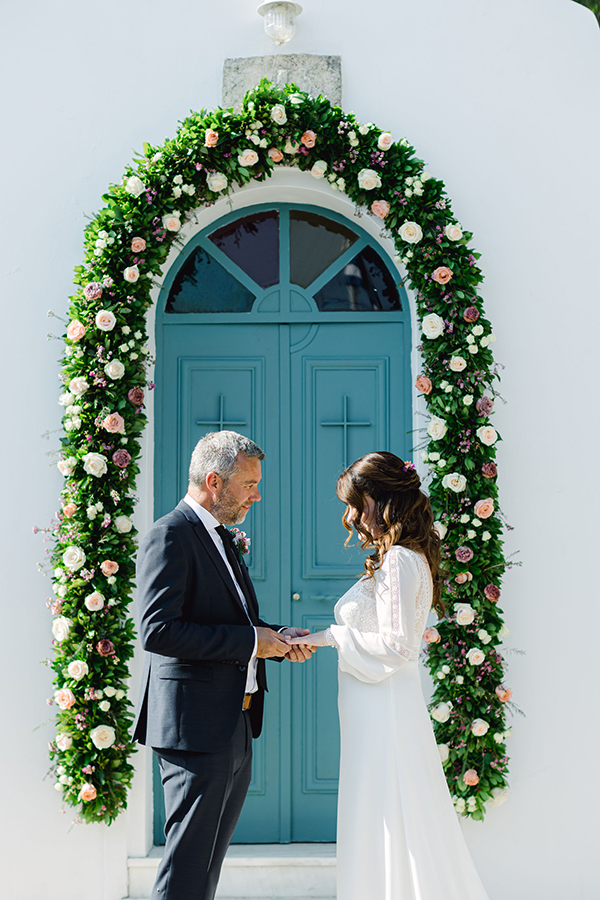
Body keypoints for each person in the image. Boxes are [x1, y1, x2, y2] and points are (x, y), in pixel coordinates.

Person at [288, 451, 490, 900]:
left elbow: (399, 646)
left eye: (357, 504)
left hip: (384, 711)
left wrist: (331, 637)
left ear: (382, 501)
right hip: (374, 709)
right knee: (387, 812)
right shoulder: (403, 556)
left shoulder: (398, 559)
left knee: (388, 810)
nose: (350, 517)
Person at [133, 431, 312, 900]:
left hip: (234, 721)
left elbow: (230, 618)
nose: (257, 494)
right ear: (215, 481)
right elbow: (159, 631)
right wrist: (254, 642)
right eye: (249, 484)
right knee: (186, 866)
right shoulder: (170, 533)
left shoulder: (218, 536)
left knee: (206, 866)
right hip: (194, 730)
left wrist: (275, 635)